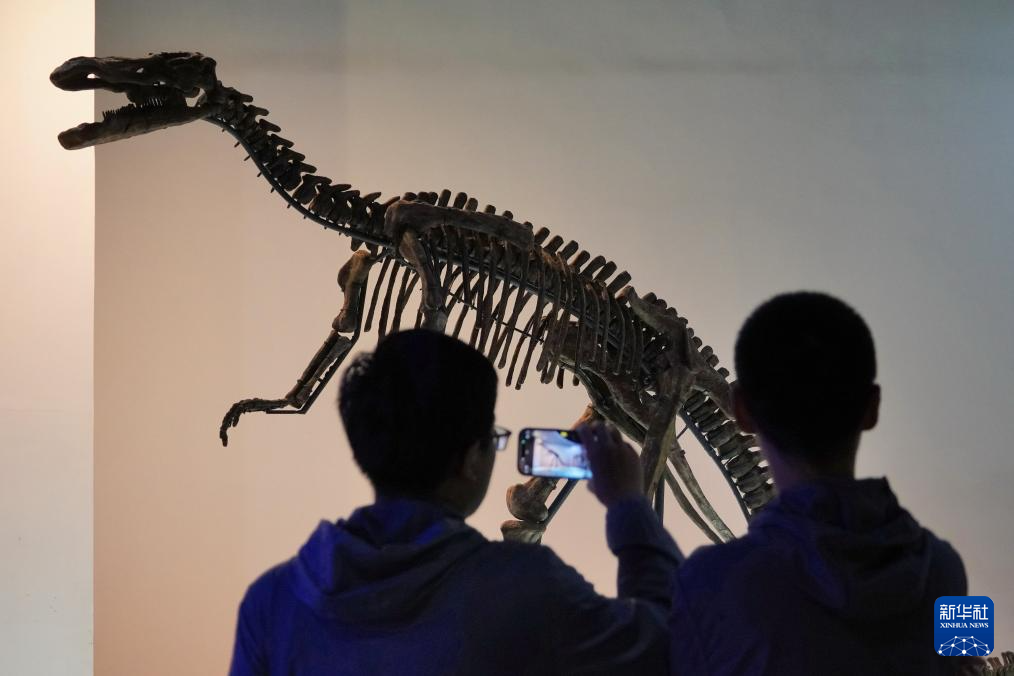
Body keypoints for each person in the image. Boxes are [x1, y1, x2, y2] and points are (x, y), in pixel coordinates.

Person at [228, 329, 680, 676]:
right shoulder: (527, 587)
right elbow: (673, 651)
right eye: (492, 439)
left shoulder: (270, 604)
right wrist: (628, 507)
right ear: (469, 459)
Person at [664, 291, 967, 674]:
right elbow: (968, 667)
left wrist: (629, 516)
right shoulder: (947, 570)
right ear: (872, 406)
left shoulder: (706, 584)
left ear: (740, 409)